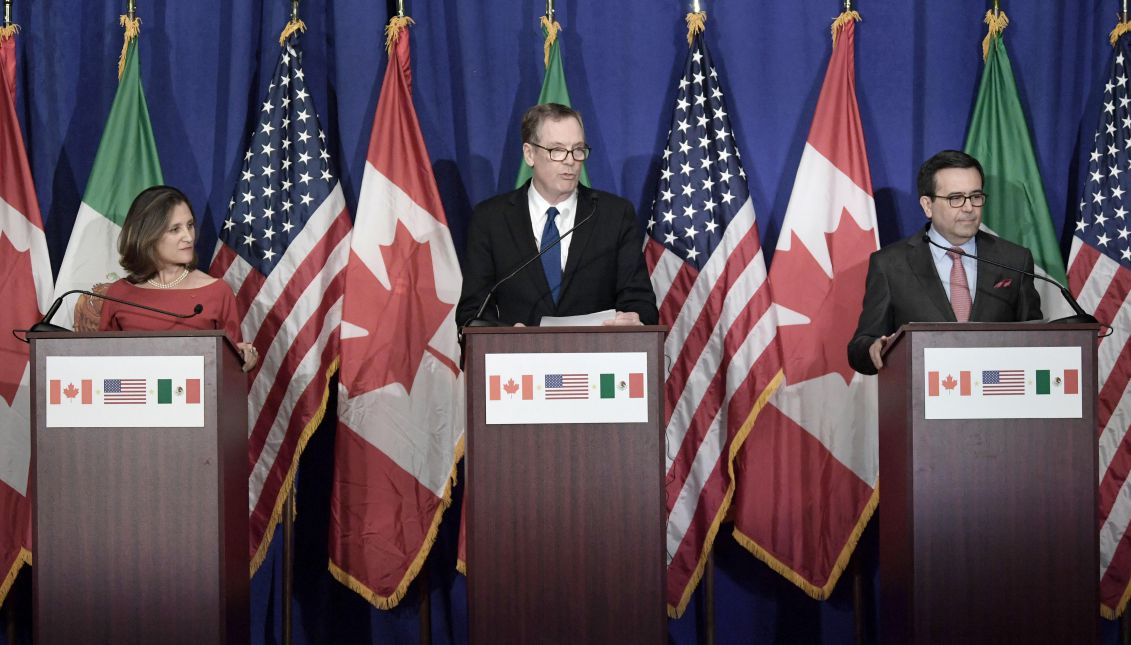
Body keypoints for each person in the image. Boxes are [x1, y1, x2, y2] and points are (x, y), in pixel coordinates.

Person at [456, 103, 658, 327]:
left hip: (595, 358)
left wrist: (634, 320)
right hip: (519, 359)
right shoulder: (491, 219)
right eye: (557, 150)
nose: (571, 160)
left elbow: (641, 304)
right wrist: (506, 336)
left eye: (578, 149)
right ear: (529, 154)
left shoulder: (614, 215)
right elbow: (472, 312)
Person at [847, 150, 1042, 375]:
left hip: (998, 394)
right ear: (927, 205)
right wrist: (875, 347)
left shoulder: (1014, 259)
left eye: (976, 196)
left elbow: (1035, 336)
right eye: (955, 198)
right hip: (923, 401)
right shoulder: (891, 265)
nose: (969, 208)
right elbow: (859, 347)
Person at [95, 185, 258, 372]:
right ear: (148, 236)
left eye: (190, 225)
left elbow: (231, 371)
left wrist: (244, 357)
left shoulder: (216, 291)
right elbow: (103, 369)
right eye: (175, 229)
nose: (188, 237)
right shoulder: (119, 293)